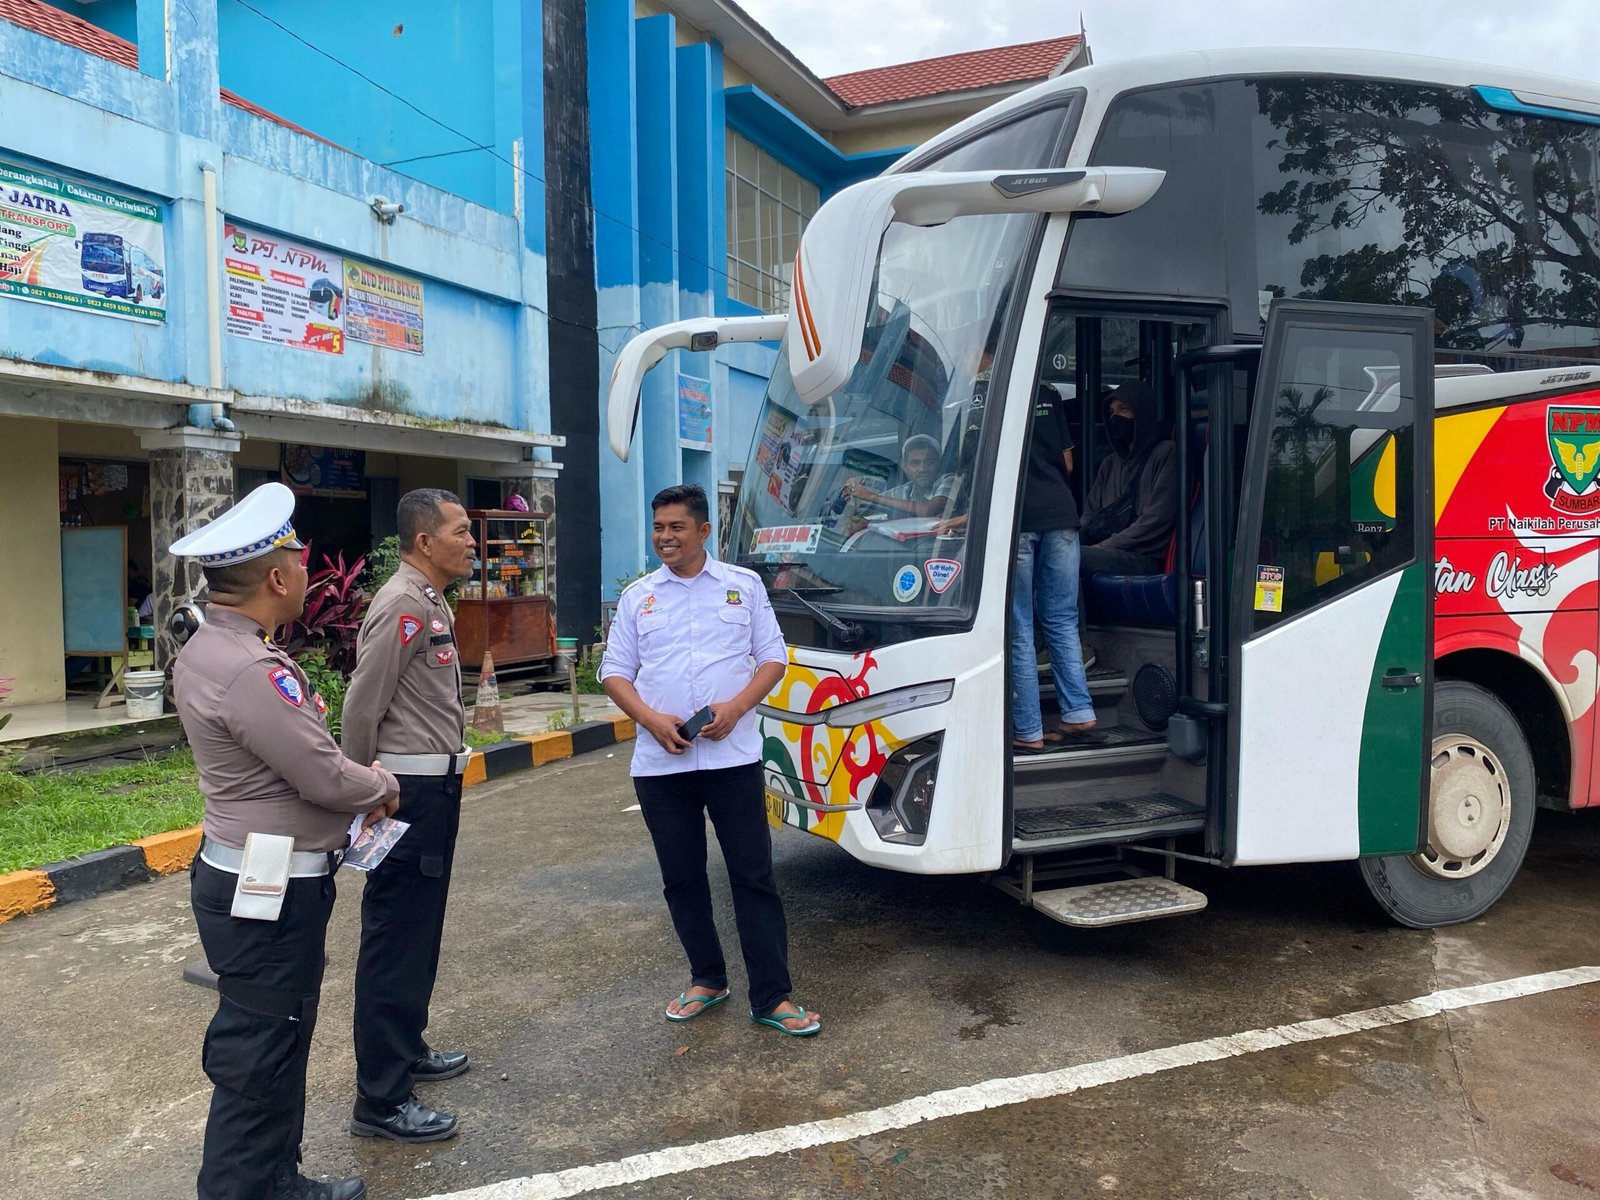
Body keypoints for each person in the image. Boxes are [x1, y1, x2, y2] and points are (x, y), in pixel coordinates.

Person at [170, 482, 399, 1200]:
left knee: (275, 1039)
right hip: (265, 894)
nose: (308, 570)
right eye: (300, 559)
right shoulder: (250, 670)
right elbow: (324, 777)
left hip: (250, 882)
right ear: (276, 577)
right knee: (261, 1050)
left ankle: (276, 1179)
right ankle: (244, 1187)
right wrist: (380, 783)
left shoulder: (211, 647)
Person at [600, 484, 820, 1036]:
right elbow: (613, 671)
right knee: (682, 878)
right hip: (660, 764)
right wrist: (649, 719)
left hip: (733, 758)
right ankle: (707, 979)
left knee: (753, 875)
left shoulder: (743, 587)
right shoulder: (638, 597)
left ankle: (772, 996)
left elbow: (773, 658)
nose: (665, 538)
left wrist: (738, 706)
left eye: (676, 527)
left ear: (703, 531)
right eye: (658, 528)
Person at [340, 489, 477, 1144]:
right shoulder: (400, 604)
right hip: (405, 795)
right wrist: (362, 791)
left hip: (434, 792)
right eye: (461, 531)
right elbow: (362, 706)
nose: (471, 541)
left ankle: (407, 1047)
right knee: (395, 939)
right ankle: (381, 1100)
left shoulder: (428, 599)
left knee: (419, 933)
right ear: (426, 541)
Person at [1013, 382, 1099, 753]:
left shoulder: (983, 393)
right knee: (1062, 618)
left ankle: (1028, 730)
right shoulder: (1047, 395)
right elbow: (1067, 462)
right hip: (1063, 516)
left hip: (1020, 519)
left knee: (1019, 625)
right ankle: (1078, 711)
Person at [1080, 381, 1179, 577]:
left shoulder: (1166, 453)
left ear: (1141, 414)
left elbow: (1155, 521)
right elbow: (1089, 515)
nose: (1115, 417)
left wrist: (1103, 546)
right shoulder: (1110, 463)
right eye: (1111, 412)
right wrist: (1068, 543)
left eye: (1123, 409)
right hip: (1106, 550)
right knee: (1055, 556)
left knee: (1070, 559)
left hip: (1143, 555)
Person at [843, 434, 954, 518]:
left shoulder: (949, 481)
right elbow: (872, 507)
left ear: (938, 464)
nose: (922, 469)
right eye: (915, 463)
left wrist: (872, 497)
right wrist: (853, 493)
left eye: (929, 463)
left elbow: (927, 511)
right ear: (904, 466)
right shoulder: (905, 490)